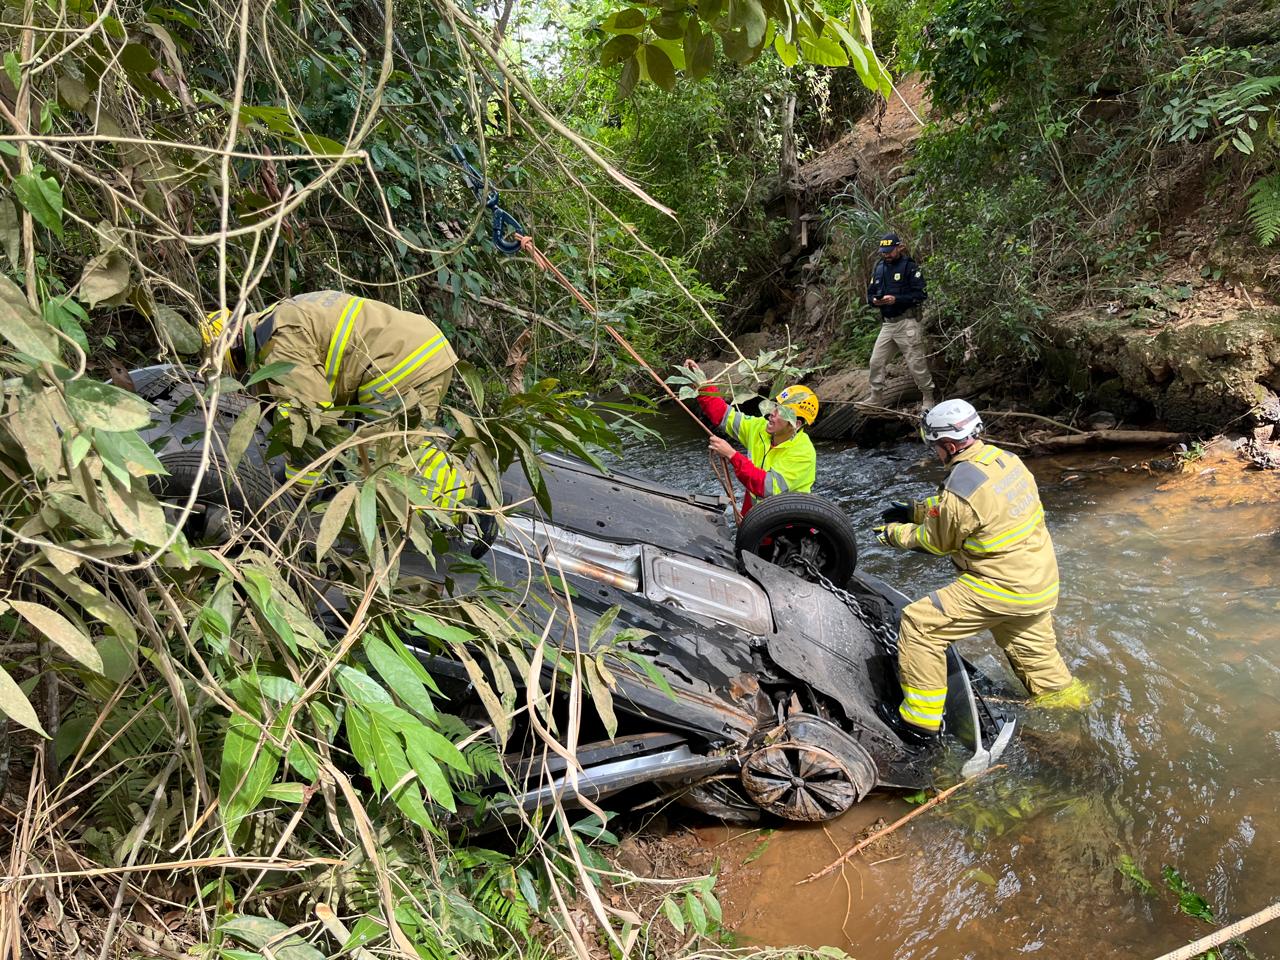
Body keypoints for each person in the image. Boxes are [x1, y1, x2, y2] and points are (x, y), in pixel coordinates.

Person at [873, 398, 1086, 745]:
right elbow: (974, 509)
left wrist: (893, 534)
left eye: (936, 447)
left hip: (999, 585)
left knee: (920, 624)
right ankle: (1077, 719)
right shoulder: (1006, 461)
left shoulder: (962, 488)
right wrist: (915, 509)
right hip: (1039, 582)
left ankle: (920, 723)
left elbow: (937, 540)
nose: (935, 453)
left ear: (950, 445)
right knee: (1041, 665)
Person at [200, 290, 467, 509]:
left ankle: (466, 503)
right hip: (415, 350)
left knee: (378, 469)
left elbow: (311, 416)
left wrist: (298, 488)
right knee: (397, 447)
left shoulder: (275, 342)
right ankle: (459, 492)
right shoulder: (278, 318)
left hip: (401, 365)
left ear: (233, 348)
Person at [683, 360, 818, 516]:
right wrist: (702, 386)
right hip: (755, 514)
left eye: (782, 411)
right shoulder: (760, 428)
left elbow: (766, 488)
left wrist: (732, 455)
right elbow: (724, 416)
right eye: (776, 406)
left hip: (784, 523)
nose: (773, 413)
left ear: (796, 423)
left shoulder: (803, 453)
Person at [865, 232, 935, 412]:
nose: (886, 255)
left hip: (907, 322)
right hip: (888, 324)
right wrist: (875, 301)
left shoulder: (909, 267)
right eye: (883, 252)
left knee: (916, 363)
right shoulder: (879, 268)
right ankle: (876, 397)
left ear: (899, 247)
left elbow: (921, 294)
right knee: (876, 361)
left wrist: (896, 299)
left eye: (890, 251)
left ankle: (928, 397)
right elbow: (870, 293)